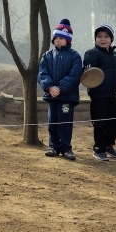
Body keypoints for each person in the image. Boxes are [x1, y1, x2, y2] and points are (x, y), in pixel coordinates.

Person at [83, 23, 116, 162]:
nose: (103, 39)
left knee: (115, 121)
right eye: (99, 36)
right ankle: (99, 149)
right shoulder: (91, 54)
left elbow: (114, 74)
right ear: (95, 39)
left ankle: (109, 145)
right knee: (100, 123)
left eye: (106, 36)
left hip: (111, 94)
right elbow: (88, 74)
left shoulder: (114, 55)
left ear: (111, 39)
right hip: (98, 95)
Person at [38, 19, 82, 161]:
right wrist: (50, 87)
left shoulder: (75, 56)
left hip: (67, 97)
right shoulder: (47, 56)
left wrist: (60, 88)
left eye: (61, 38)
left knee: (65, 123)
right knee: (52, 121)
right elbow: (42, 73)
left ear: (68, 40)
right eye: (56, 38)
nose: (58, 41)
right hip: (52, 96)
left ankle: (66, 148)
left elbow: (74, 76)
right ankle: (53, 146)